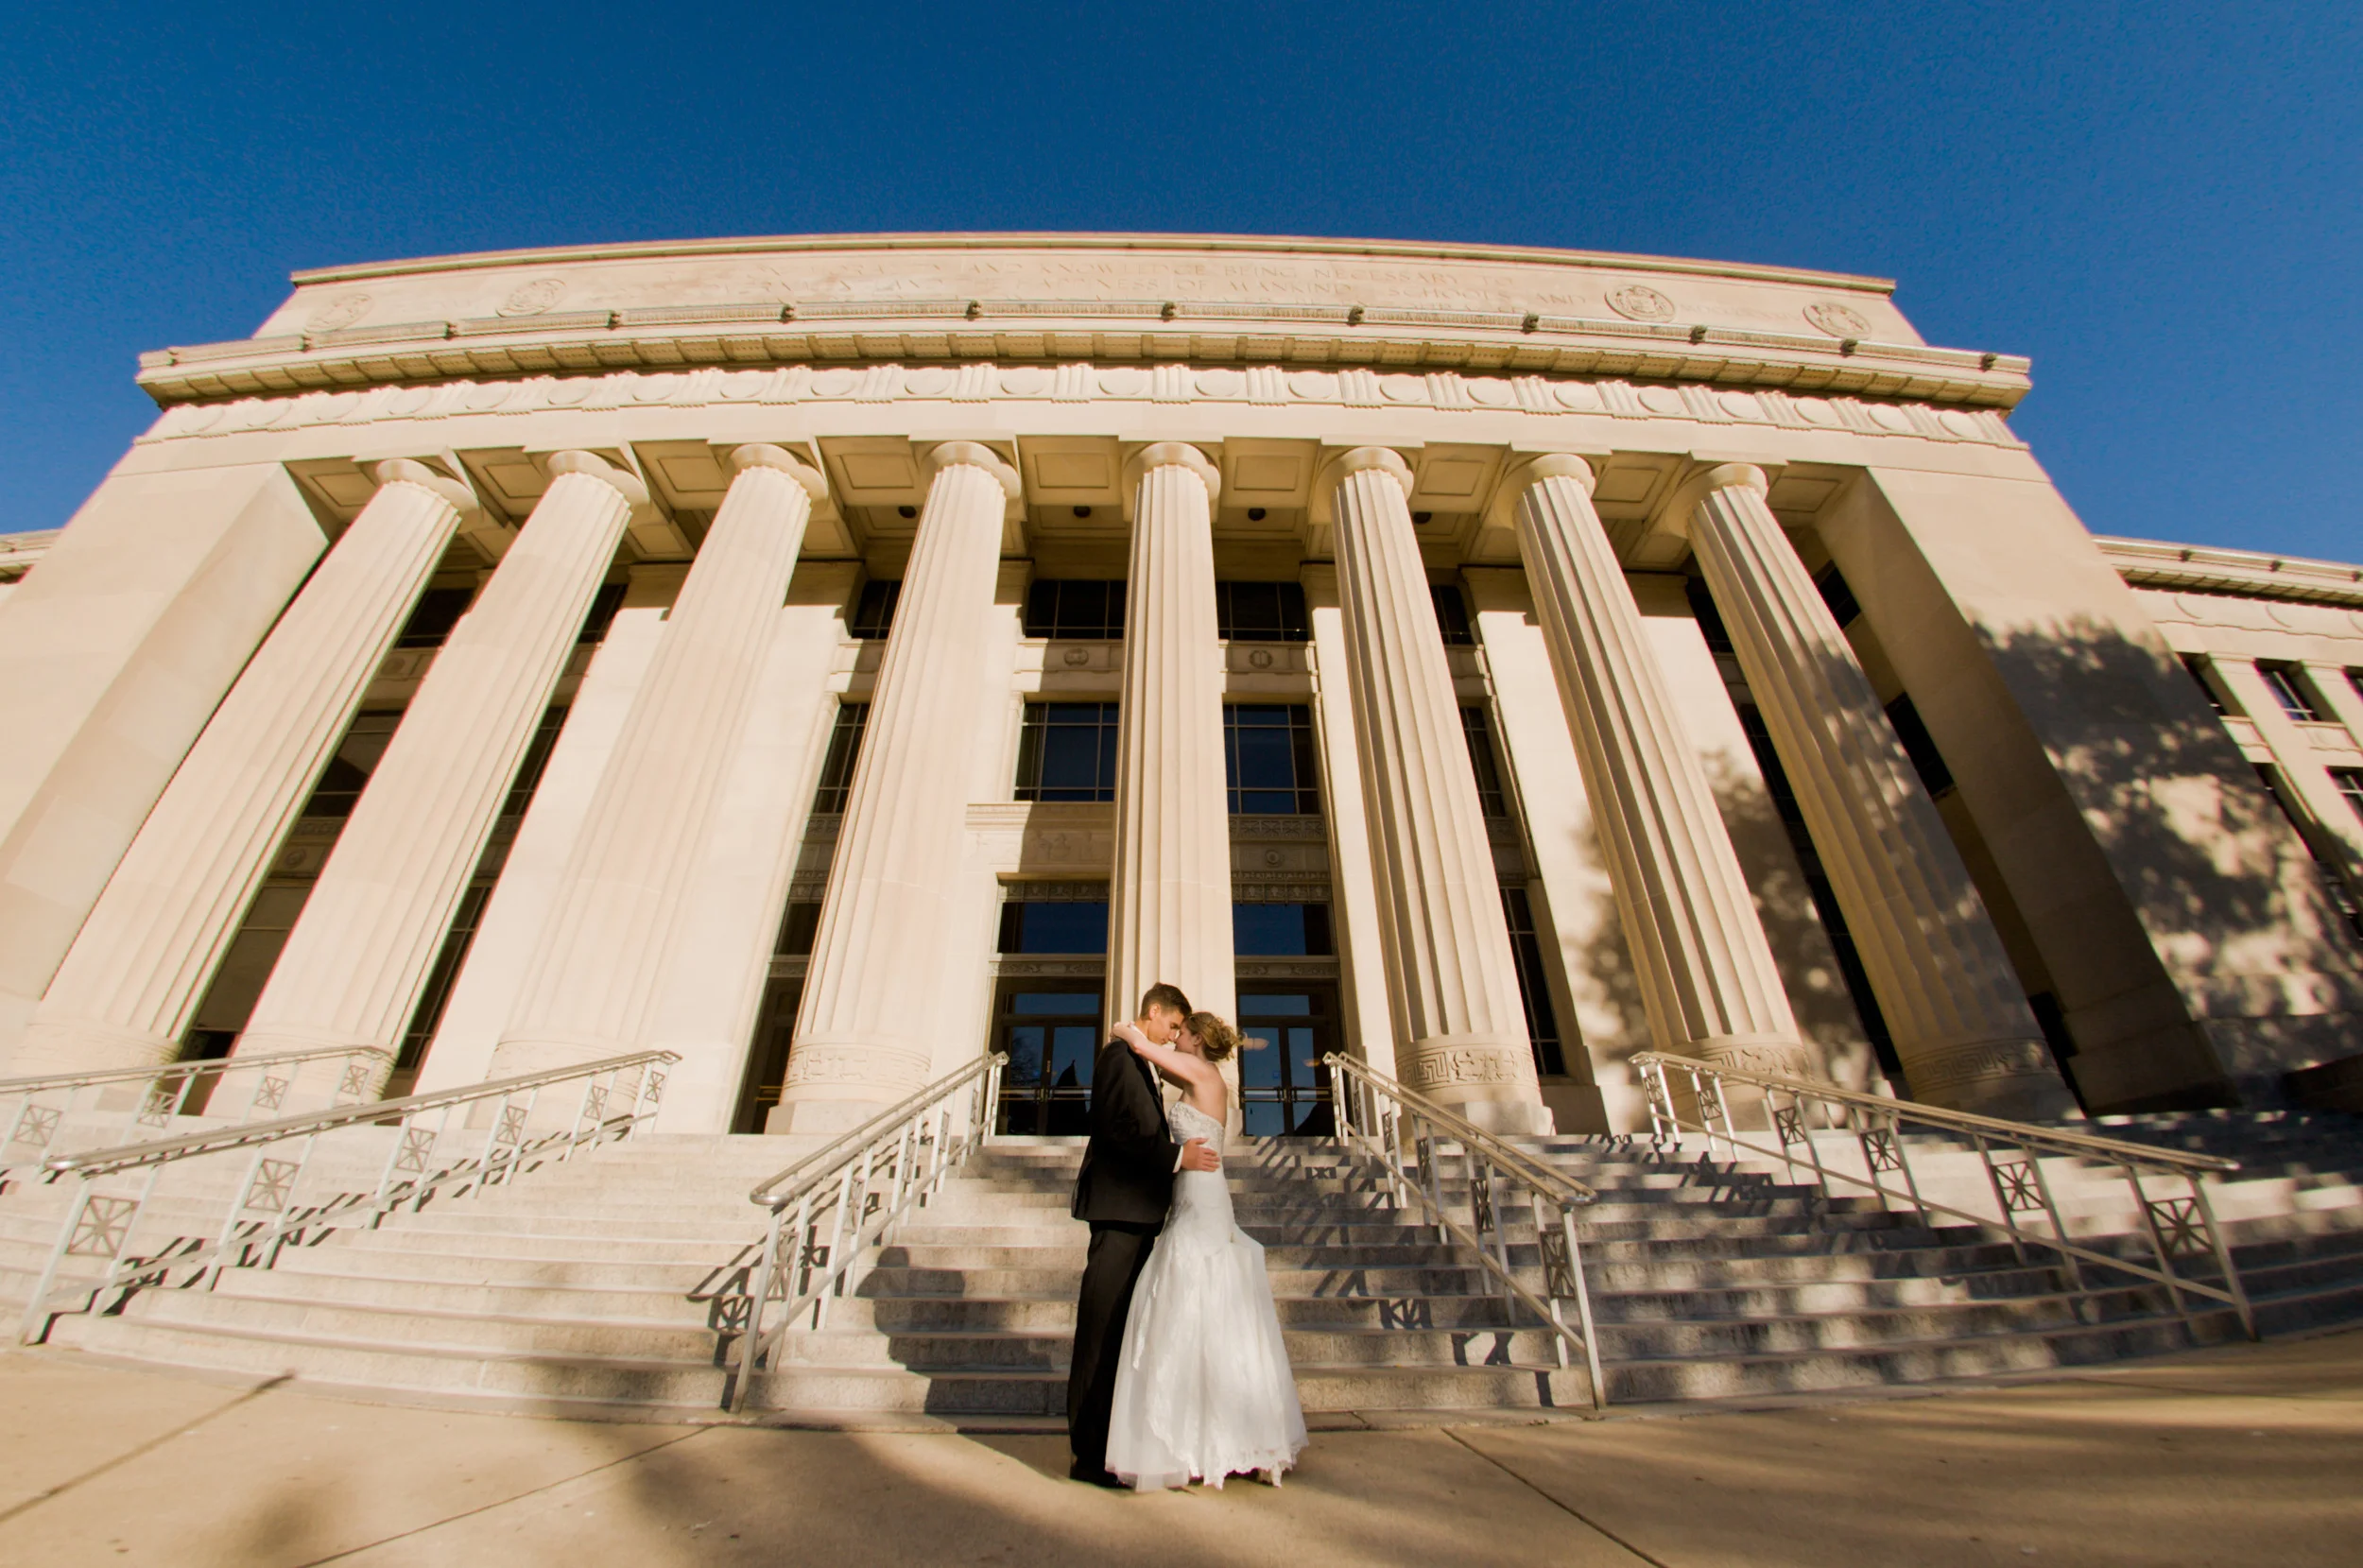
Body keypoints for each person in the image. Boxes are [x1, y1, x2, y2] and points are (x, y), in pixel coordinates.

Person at [1103, 1008, 1308, 1490]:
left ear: (1195, 1038)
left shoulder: (1201, 1071)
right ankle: (1202, 1436)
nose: (1174, 1038)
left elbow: (1139, 1046)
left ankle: (1204, 1438)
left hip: (1202, 1197)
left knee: (1197, 1301)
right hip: (1194, 1192)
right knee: (1196, 1307)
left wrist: (1126, 1028)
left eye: (1181, 1031)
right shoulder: (1204, 1074)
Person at [1066, 982, 1221, 1487]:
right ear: (1153, 1014)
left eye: (1181, 1031)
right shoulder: (1119, 1058)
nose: (1175, 1035)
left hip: (1141, 1216)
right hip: (1118, 1213)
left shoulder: (1144, 1064)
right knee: (1099, 1333)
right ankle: (1087, 1457)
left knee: (1117, 1336)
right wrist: (1178, 1157)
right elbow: (1120, 1132)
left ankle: (1107, 1446)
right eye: (1173, 1025)